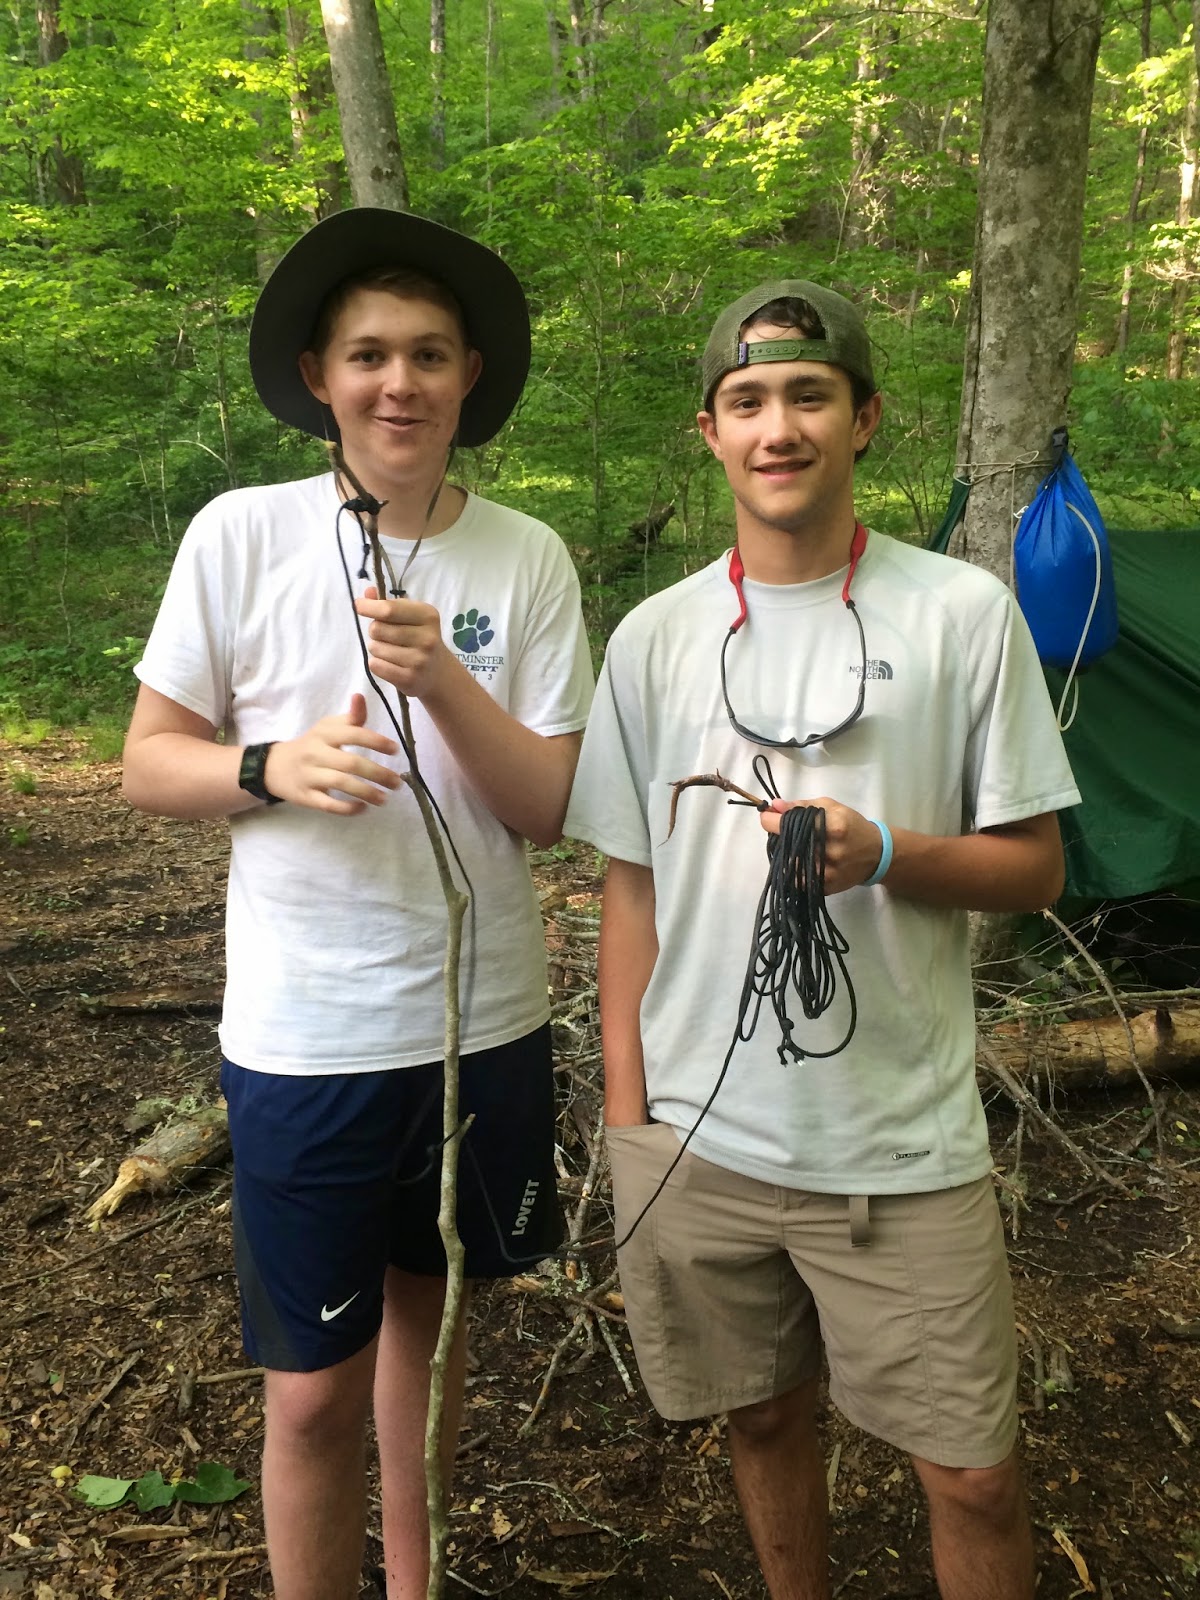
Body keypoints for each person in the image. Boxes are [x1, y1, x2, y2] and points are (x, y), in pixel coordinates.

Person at [564, 279, 1081, 1600]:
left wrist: (890, 853)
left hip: (900, 1147)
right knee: (760, 1417)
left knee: (973, 1474)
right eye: (748, 401)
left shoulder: (962, 614)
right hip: (699, 1135)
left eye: (809, 395)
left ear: (866, 418)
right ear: (711, 431)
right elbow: (632, 885)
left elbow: (1036, 869)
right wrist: (629, 1118)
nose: (778, 426)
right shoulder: (655, 638)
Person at [123, 208, 593, 1600]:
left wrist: (444, 680)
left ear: (469, 379)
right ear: (319, 377)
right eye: (370, 355)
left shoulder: (527, 557)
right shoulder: (240, 534)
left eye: (431, 355)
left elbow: (549, 808)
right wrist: (267, 766)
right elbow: (147, 764)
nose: (401, 383)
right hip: (309, 1034)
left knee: (429, 1351)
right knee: (313, 1393)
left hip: (482, 1022)